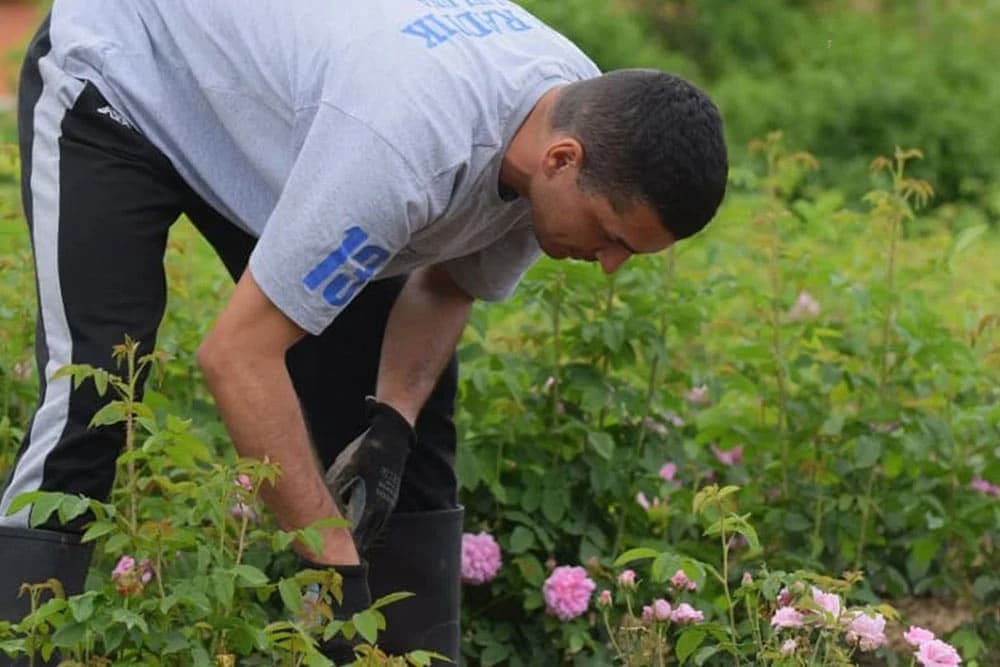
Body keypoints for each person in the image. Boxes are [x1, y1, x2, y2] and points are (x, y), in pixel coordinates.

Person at [0, 0, 728, 663]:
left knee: (398, 435)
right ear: (561, 161)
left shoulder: (579, 120)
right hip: (125, 73)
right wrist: (333, 562)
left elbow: (449, 281)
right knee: (97, 391)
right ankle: (20, 644)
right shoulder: (404, 146)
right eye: (612, 238)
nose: (610, 265)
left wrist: (393, 423)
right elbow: (237, 358)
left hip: (287, 114)